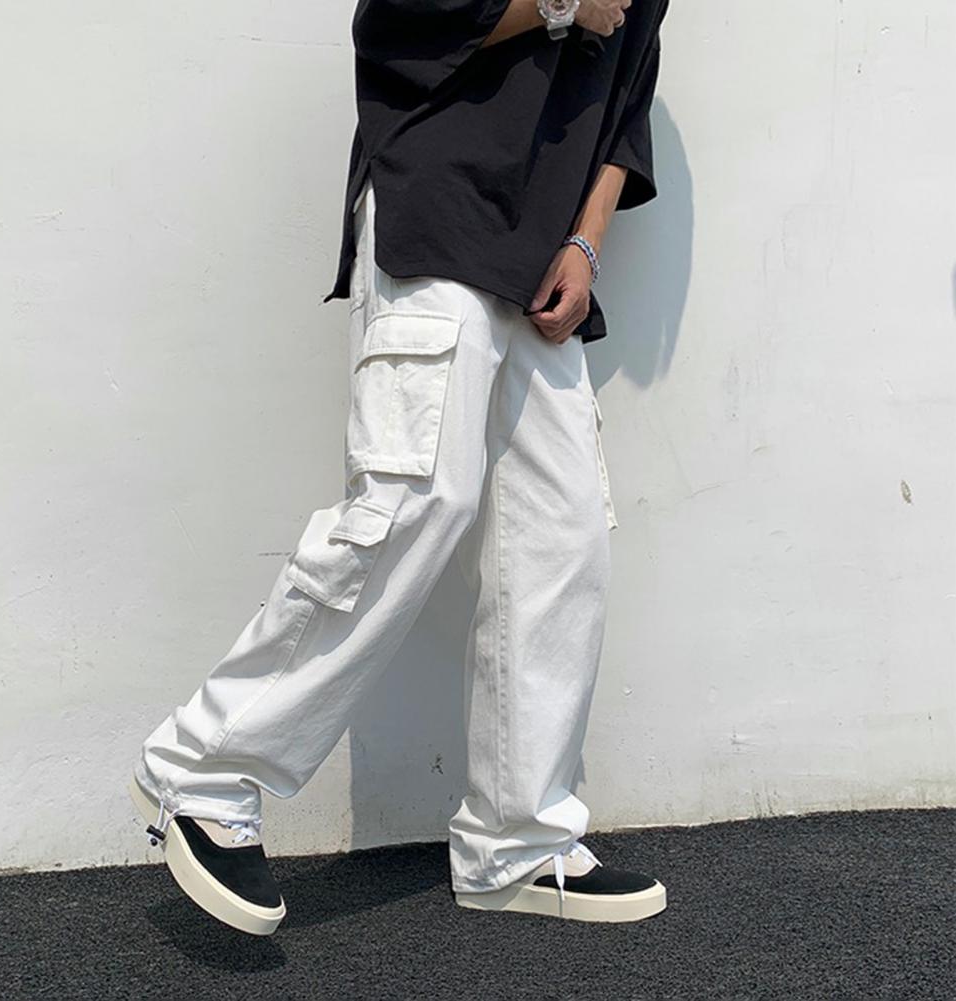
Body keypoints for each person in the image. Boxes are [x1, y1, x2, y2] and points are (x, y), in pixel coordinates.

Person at [130, 0, 672, 936]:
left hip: (545, 258)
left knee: (562, 535)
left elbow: (626, 105)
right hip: (438, 208)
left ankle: (518, 840)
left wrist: (586, 242)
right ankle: (205, 769)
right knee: (414, 498)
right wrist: (557, 6)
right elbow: (391, 20)